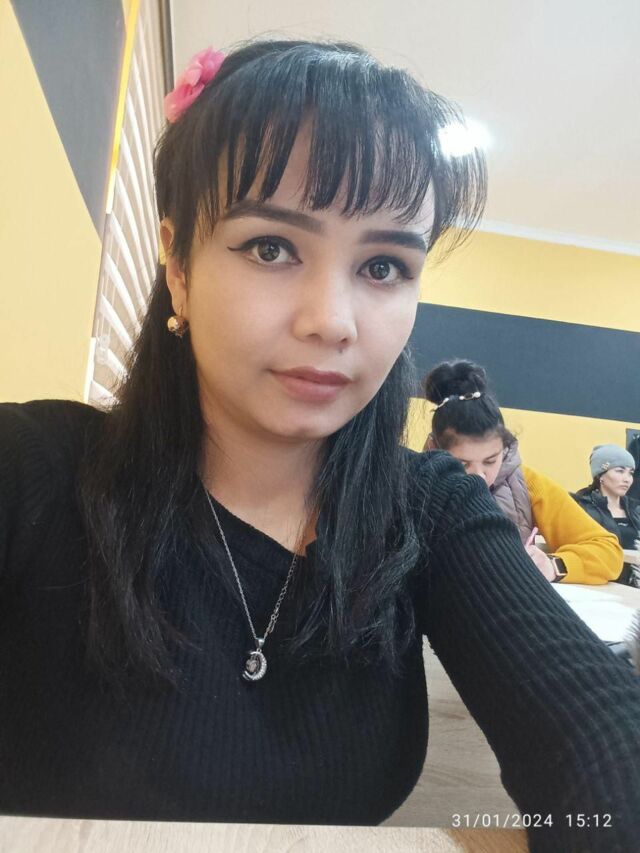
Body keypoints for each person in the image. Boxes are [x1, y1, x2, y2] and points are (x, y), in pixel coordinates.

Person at [2, 39, 640, 852]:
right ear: (179, 264)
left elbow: (599, 742)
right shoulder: (33, 468)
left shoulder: (432, 509)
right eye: (271, 247)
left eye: (383, 265)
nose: (332, 320)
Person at [423, 359, 623, 585]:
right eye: (462, 463)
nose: (479, 475)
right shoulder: (413, 483)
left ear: (505, 447)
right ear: (434, 448)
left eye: (490, 461)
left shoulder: (527, 484)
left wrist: (553, 566)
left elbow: (606, 549)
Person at [573, 444, 640, 586]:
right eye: (620, 471)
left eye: (630, 473)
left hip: (634, 585)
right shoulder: (582, 508)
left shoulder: (635, 510)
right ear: (600, 475)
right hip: (600, 584)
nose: (627, 479)